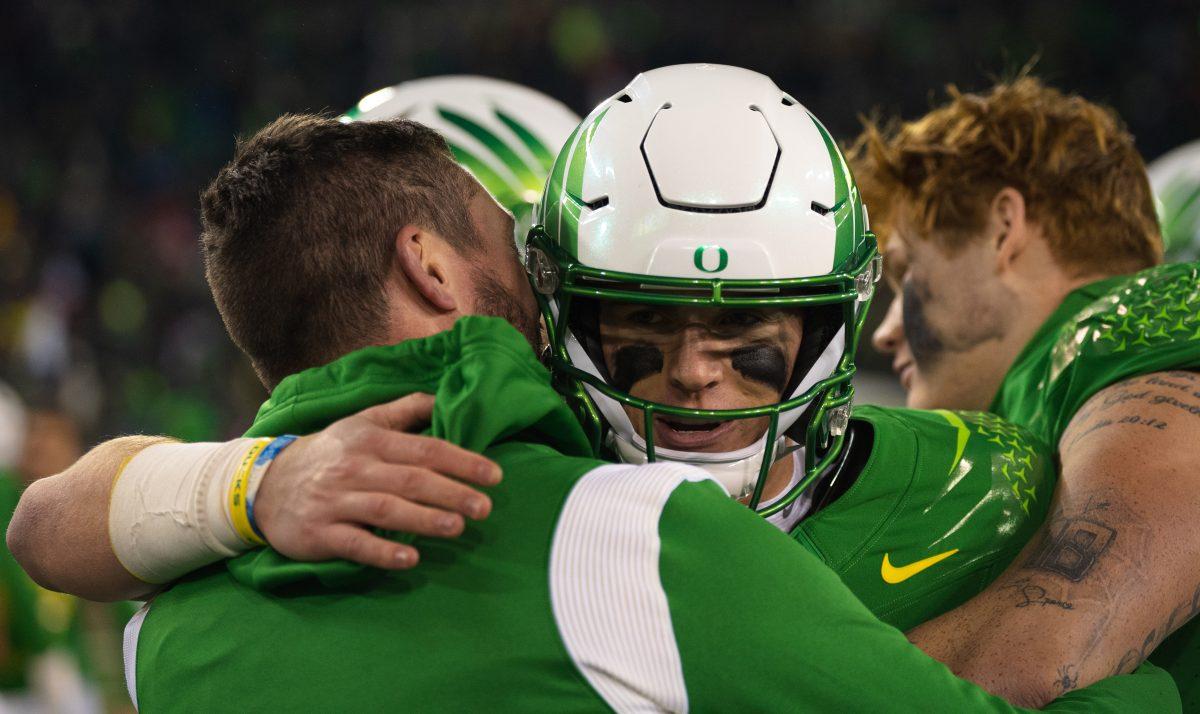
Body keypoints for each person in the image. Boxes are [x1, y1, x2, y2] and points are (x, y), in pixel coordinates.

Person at [12, 65, 1177, 711]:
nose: (692, 371)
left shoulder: (178, 610)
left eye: (750, 333)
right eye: (638, 321)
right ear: (441, 265)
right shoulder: (620, 532)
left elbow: (54, 522)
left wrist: (246, 484)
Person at [856, 76, 1200, 706]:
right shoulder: (1065, 381)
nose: (884, 331)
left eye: (906, 275)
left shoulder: (1137, 320)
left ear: (1003, 228)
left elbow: (1044, 645)